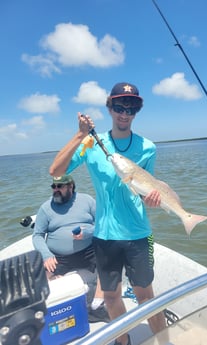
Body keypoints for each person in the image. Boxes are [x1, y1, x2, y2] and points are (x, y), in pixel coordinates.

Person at [49, 82, 167, 345]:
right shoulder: (92, 143)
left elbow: (145, 189)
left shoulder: (148, 147)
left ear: (137, 111)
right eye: (119, 106)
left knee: (146, 296)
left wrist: (153, 199)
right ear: (110, 107)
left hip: (138, 234)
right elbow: (56, 171)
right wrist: (80, 135)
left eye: (132, 107)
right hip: (104, 235)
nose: (125, 113)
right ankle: (122, 342)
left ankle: (163, 341)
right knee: (111, 297)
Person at [32, 174, 110, 324]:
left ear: (71, 186)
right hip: (57, 257)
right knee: (40, 281)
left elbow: (103, 224)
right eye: (53, 187)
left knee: (110, 254)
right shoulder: (46, 208)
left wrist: (87, 233)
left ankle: (98, 306)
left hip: (88, 251)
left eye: (60, 186)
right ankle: (44, 315)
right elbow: (38, 235)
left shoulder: (87, 200)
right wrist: (46, 255)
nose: (56, 190)